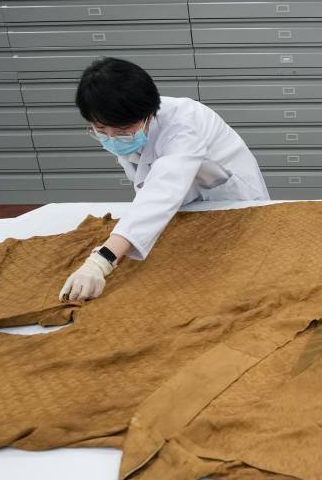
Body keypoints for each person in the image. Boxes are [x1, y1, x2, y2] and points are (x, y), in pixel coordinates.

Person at [59, 57, 270, 301]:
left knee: (241, 270)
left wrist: (102, 260)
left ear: (149, 115)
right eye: (101, 130)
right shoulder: (127, 129)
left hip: (231, 199)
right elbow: (150, 189)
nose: (112, 139)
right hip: (185, 206)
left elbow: (162, 190)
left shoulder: (184, 124)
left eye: (122, 131)